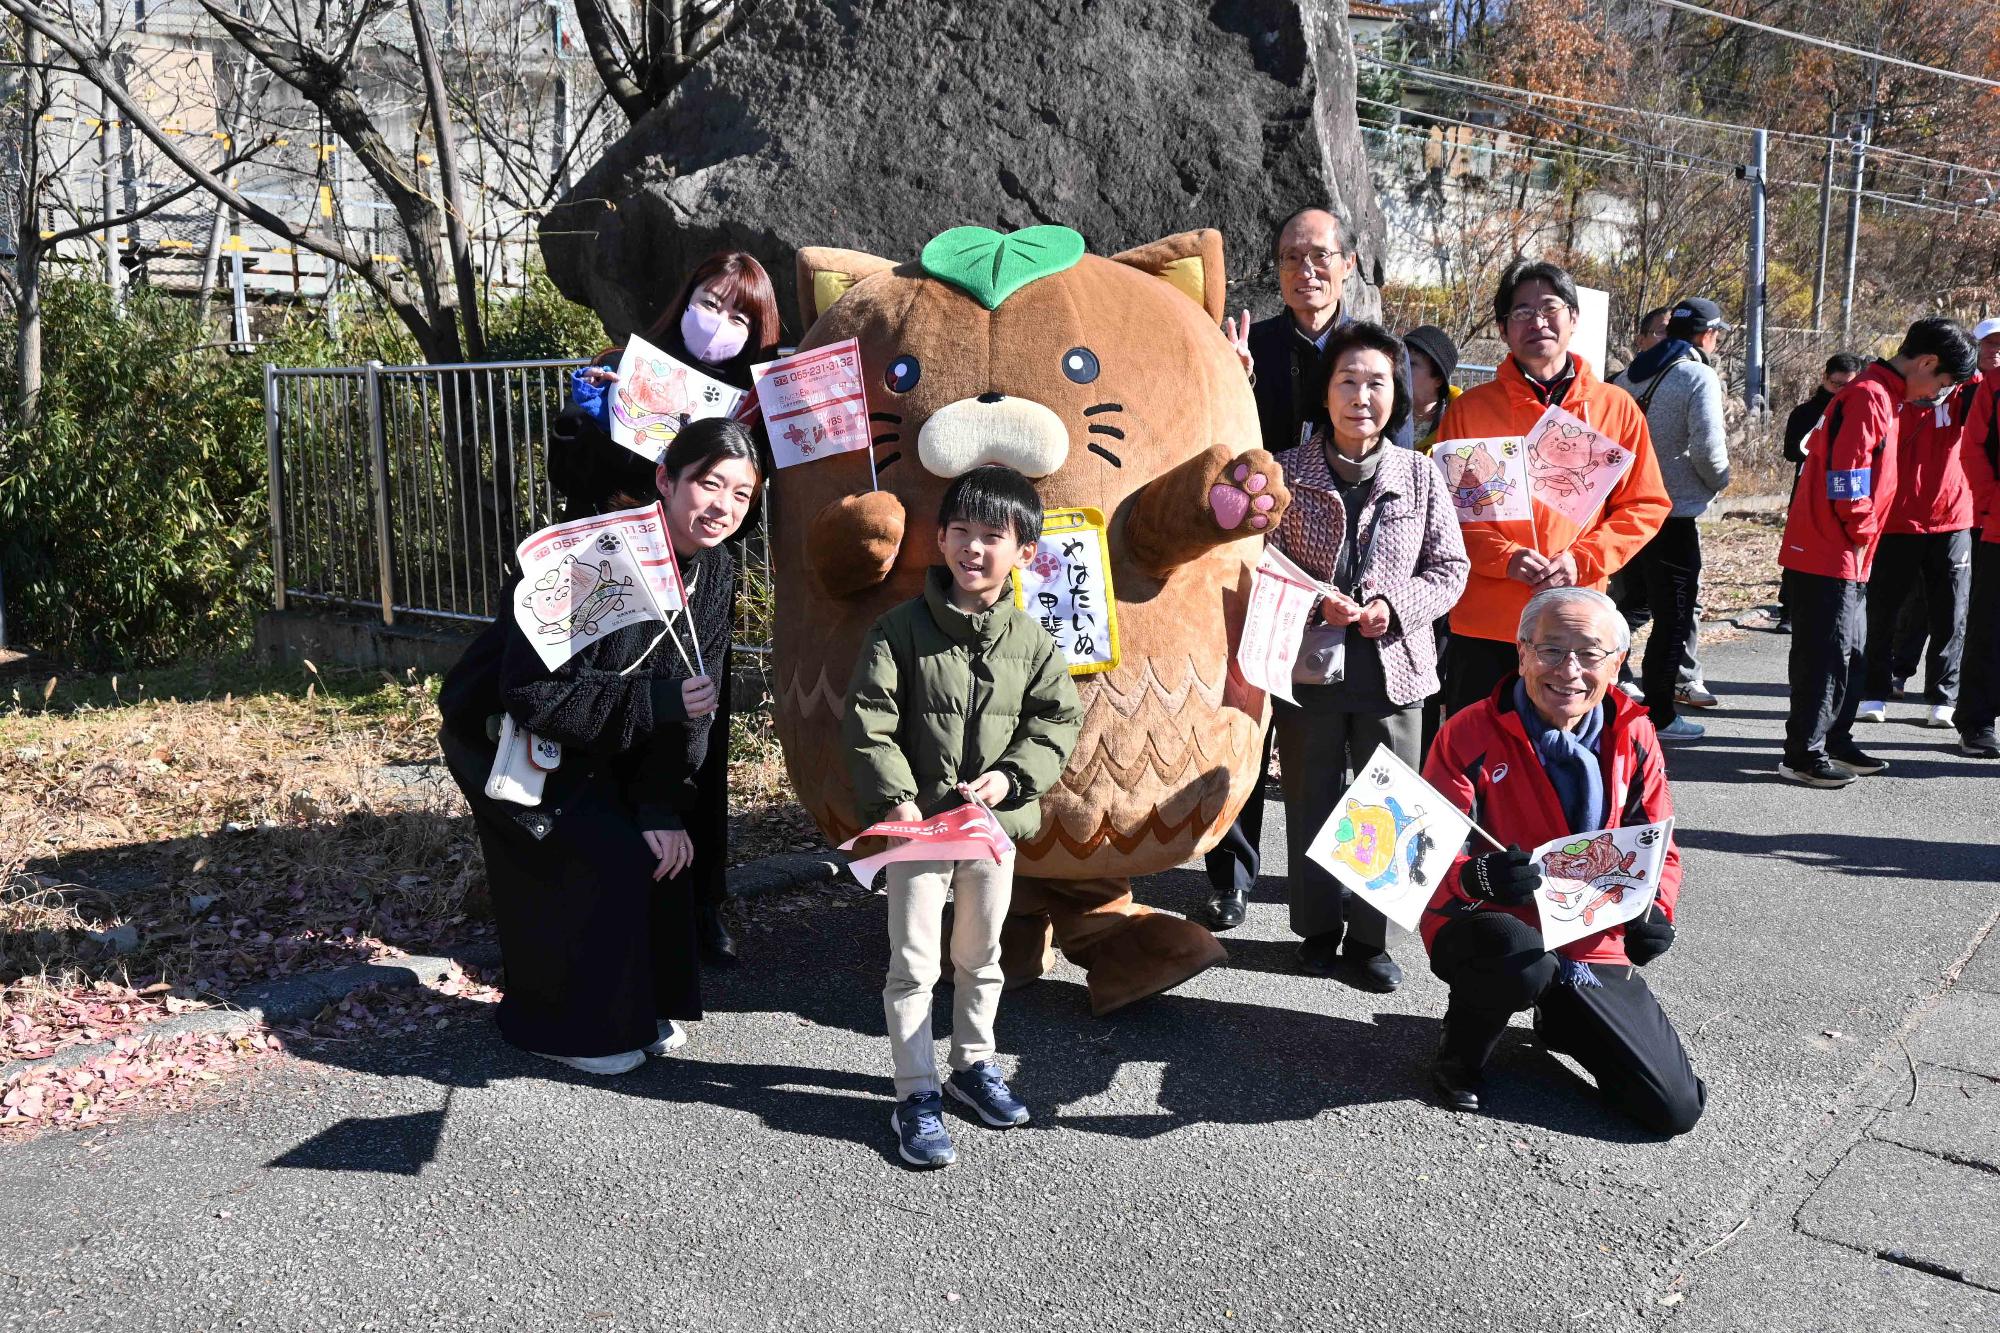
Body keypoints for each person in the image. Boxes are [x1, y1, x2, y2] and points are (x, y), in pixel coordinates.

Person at [437, 418, 764, 1074]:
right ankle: (560, 1027)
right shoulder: (590, 559)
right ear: (665, 480)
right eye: (708, 483)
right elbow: (530, 691)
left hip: (611, 736)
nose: (722, 507)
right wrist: (654, 706)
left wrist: (662, 806)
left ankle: (638, 1008)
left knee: (667, 849)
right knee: (607, 850)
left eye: (741, 494)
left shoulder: (718, 568)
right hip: (511, 735)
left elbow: (693, 696)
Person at [843, 466, 1083, 1169]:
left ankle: (973, 1064)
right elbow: (868, 721)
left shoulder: (1033, 641)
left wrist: (1012, 778)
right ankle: (915, 1092)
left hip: (991, 829)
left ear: (1024, 554)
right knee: (914, 962)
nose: (974, 548)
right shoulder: (898, 631)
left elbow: (1056, 721)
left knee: (981, 956)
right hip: (919, 828)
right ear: (941, 539)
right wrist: (895, 796)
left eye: (992, 536)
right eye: (961, 532)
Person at [554, 250, 784, 964]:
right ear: (683, 297)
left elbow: (744, 510)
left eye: (741, 314)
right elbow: (570, 476)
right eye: (711, 303)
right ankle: (598, 884)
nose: (721, 323)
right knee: (600, 709)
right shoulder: (623, 363)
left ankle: (702, 902)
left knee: (695, 727)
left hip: (694, 580)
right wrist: (578, 419)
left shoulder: (752, 399)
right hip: (609, 562)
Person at [1419, 587, 1703, 1135]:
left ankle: (1564, 1015)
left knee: (1672, 1108)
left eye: (1589, 653)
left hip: (1589, 932)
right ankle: (1461, 1049)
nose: (1568, 670)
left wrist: (1657, 908)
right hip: (1488, 920)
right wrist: (1477, 876)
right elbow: (1421, 852)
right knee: (1519, 960)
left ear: (1616, 662)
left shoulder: (1635, 730)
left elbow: (1657, 841)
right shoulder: (1468, 731)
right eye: (1549, 650)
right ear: (1522, 653)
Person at [1200, 206, 1413, 931]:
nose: (1306, 269)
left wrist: (1389, 591)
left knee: (1369, 758)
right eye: (1291, 256)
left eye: (1320, 255)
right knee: (1251, 721)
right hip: (1264, 561)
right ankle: (1230, 876)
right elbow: (1218, 446)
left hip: (1358, 585)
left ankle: (1367, 919)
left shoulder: (1376, 351)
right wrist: (1232, 383)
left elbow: (1403, 477)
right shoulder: (1249, 346)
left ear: (1349, 264)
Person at [1271, 323, 1468, 991]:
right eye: (1347, 381)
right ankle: (1318, 929)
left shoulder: (1421, 473)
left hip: (1397, 668)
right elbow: (1257, 563)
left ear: (1398, 395)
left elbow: (1450, 568)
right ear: (1324, 393)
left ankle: (1371, 940)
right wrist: (1312, 601)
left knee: (1391, 804)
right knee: (1311, 797)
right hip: (1311, 666)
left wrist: (1397, 605)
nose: (1362, 395)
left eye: (1377, 382)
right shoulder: (1286, 471)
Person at [1433, 259, 1670, 717]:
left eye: (1549, 307)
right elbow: (1446, 514)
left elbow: (1645, 504)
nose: (1537, 321)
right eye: (1520, 312)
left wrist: (1582, 560)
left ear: (1573, 318)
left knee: (1564, 755)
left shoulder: (1614, 408)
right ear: (1503, 329)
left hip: (1576, 622)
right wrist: (1506, 558)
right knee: (1480, 755)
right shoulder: (1470, 411)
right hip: (1487, 620)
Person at [1777, 317, 1978, 787]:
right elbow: (1847, 477)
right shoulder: (1870, 396)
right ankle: (1803, 754)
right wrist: (1864, 528)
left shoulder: (1884, 394)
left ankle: (1836, 740)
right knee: (1825, 654)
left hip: (1850, 550)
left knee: (1852, 651)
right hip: (1831, 549)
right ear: (1926, 363)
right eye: (1942, 383)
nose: (1937, 394)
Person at [1611, 297, 1734, 738]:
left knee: (1634, 605)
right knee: (1674, 615)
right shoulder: (1697, 375)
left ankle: (1610, 684)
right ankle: (1660, 713)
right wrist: (1718, 481)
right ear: (1707, 334)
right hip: (1673, 513)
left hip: (1626, 509)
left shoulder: (1629, 375)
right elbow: (1708, 450)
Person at [1855, 330, 1985, 730]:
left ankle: (1943, 696)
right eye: (1990, 344)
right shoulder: (1892, 392)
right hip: (1896, 519)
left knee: (1951, 612)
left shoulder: (1966, 390)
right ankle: (1874, 690)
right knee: (1883, 611)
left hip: (1953, 517)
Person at [1777, 354, 1865, 632]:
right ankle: (1789, 610)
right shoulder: (1804, 412)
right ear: (1825, 378)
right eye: (1835, 384)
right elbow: (1791, 451)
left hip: (1843, 488)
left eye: (1847, 385)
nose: (1840, 391)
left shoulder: (1860, 410)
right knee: (1798, 549)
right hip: (1806, 490)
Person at [1953, 319, 2000, 758]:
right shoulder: (1994, 387)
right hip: (1999, 529)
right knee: (1988, 629)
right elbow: (1973, 450)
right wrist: (1989, 505)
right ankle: (1977, 722)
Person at [1404, 324, 1461, 454]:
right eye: (1401, 360)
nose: (1401, 368)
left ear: (1438, 379)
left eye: (1411, 364)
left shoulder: (1457, 424)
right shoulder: (1385, 411)